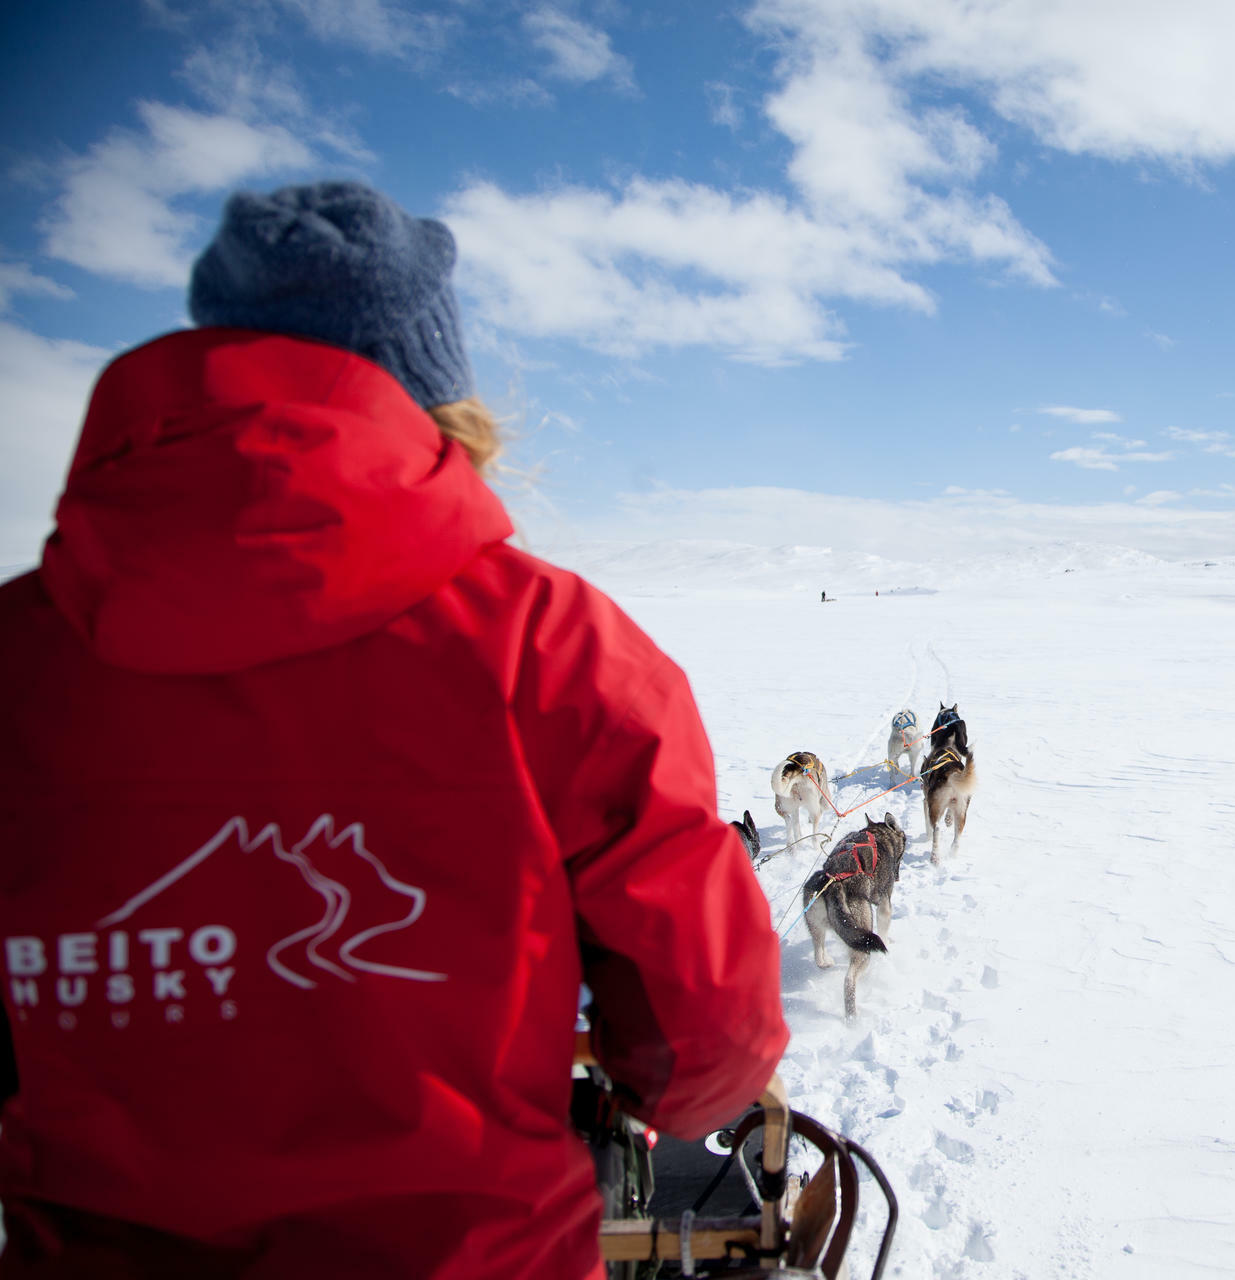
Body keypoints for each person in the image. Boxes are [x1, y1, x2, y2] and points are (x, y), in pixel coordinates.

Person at [0, 181, 788, 1278]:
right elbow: (711, 1036)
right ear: (434, 393)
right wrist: (642, 1079)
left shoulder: (22, 658)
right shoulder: (556, 650)